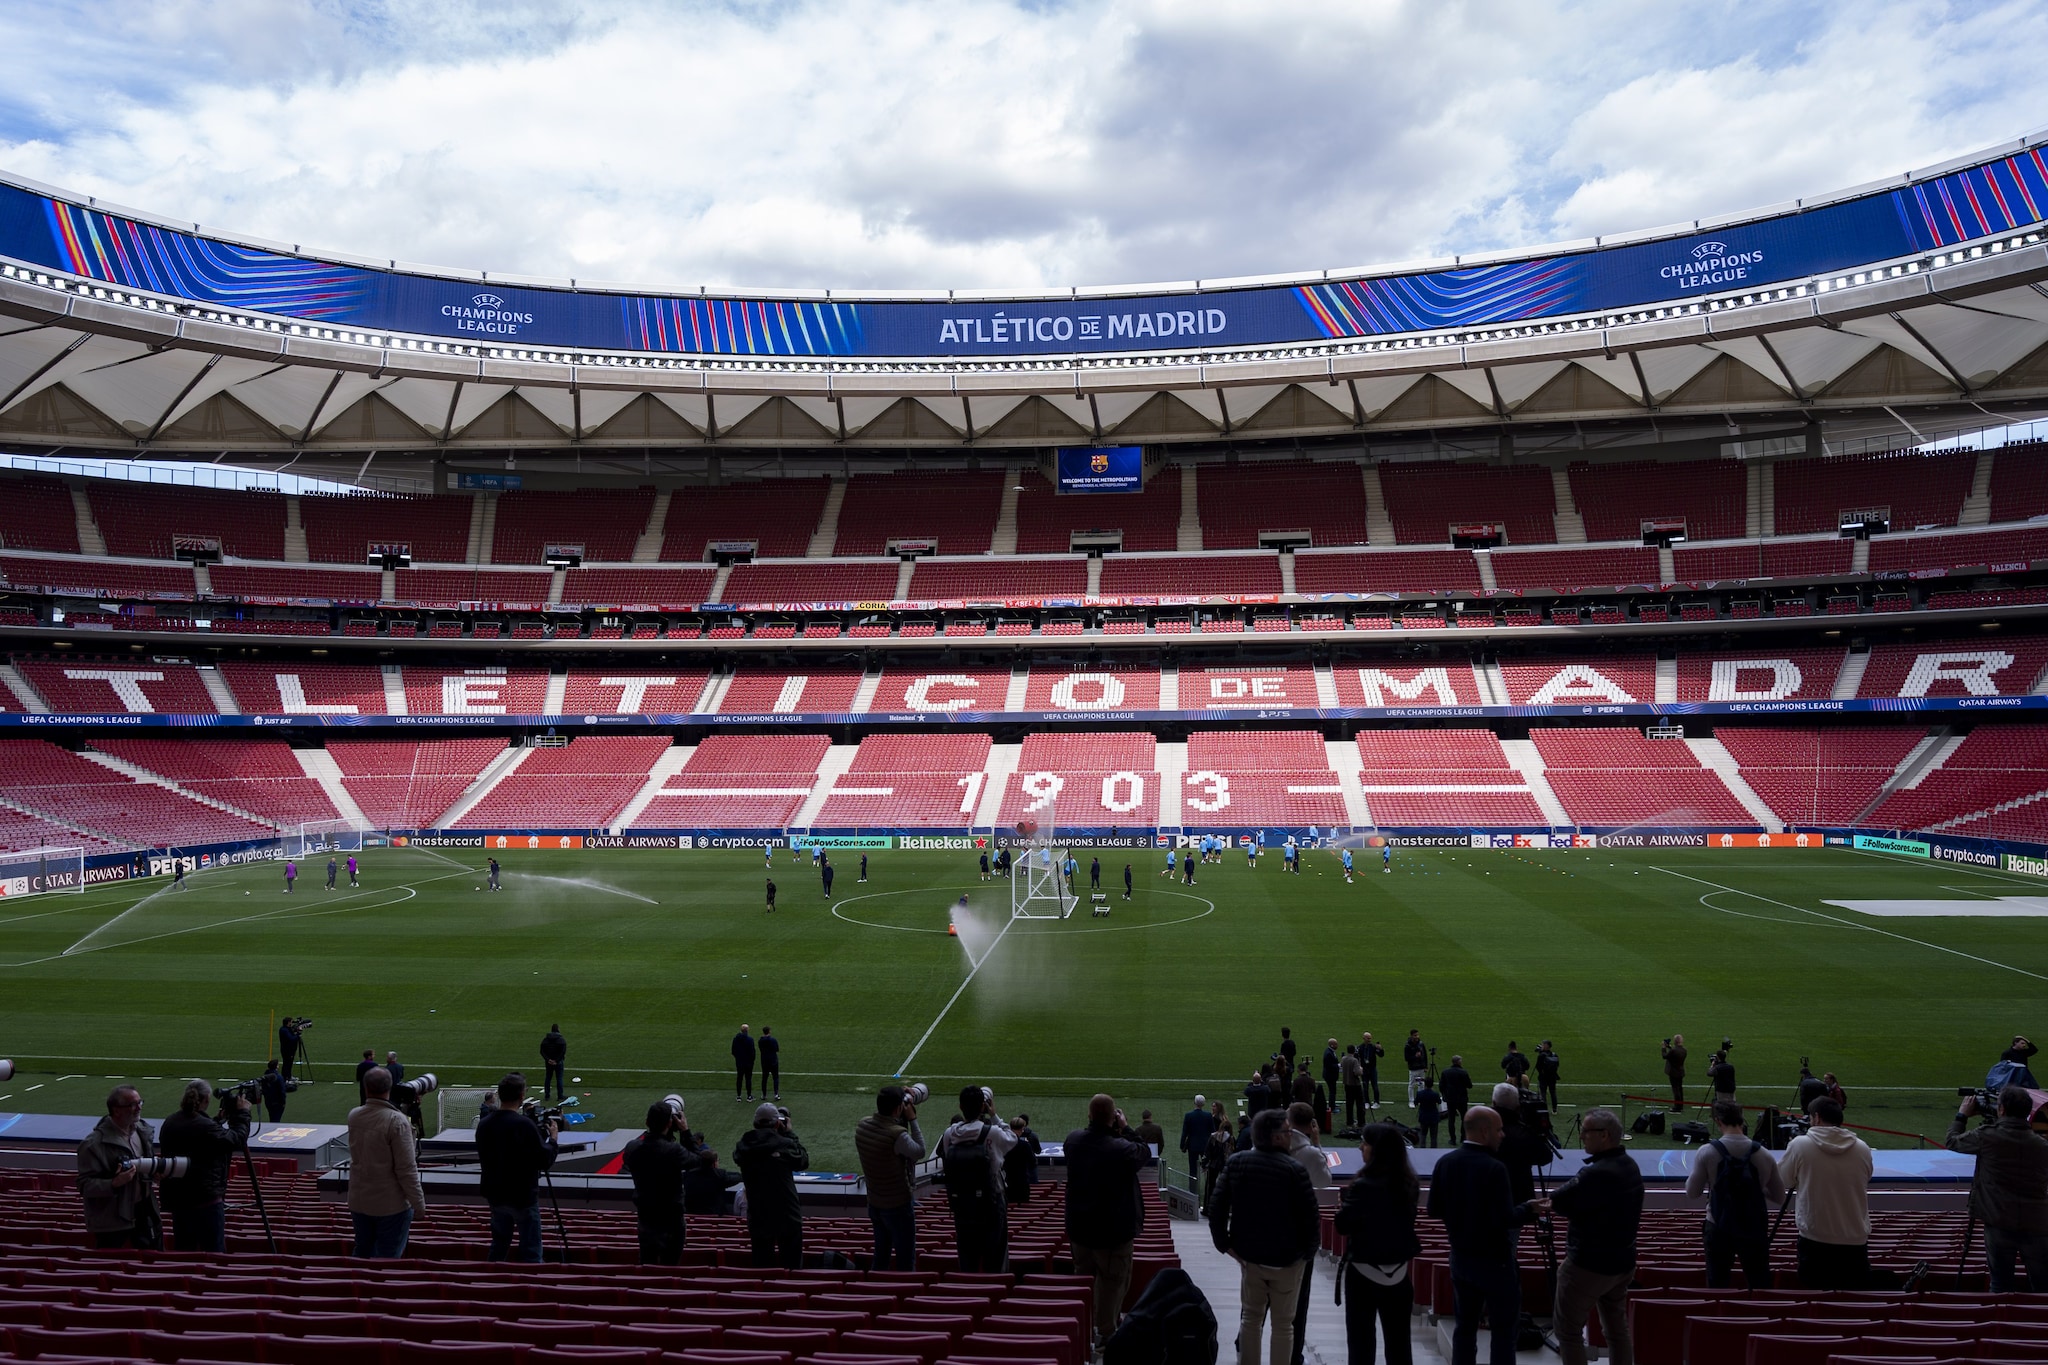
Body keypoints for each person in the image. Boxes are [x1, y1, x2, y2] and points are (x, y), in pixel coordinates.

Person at [1427, 1106, 1548, 1365]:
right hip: (1495, 1263)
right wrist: (1530, 1209)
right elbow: (1505, 1219)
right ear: (1484, 1132)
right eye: (1499, 1130)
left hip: (1461, 1258)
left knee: (1464, 1328)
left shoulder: (1445, 1162)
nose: (1503, 1134)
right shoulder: (1494, 1168)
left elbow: (1433, 1209)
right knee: (1503, 1333)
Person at [1209, 1108, 1320, 1365]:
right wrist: (1305, 1256)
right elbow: (1311, 1220)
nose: (1291, 1136)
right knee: (1283, 1324)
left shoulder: (1237, 1163)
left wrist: (1226, 1246)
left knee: (1251, 1319)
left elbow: (1216, 1207)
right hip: (1287, 1262)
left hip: (1251, 1258)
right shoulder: (1295, 1170)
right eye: (1287, 1132)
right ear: (1276, 1137)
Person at [1778, 1096, 1907, 1290]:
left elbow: (1784, 1180)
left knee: (1815, 1296)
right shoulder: (1862, 1148)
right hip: (1854, 1240)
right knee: (1852, 1297)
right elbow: (1865, 1177)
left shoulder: (1800, 1145)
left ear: (1816, 1117)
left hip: (1815, 1239)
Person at [1548, 1109, 1643, 1365]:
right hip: (1622, 1262)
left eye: (1586, 1132)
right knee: (1617, 1330)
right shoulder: (1629, 1165)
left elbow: (1559, 1200)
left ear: (1604, 1135)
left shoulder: (1596, 1173)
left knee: (1567, 1331)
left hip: (1589, 1265)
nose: (1581, 1136)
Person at [1066, 1094, 1150, 1347]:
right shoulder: (1121, 1148)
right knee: (1113, 1283)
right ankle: (1105, 1334)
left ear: (1090, 1115)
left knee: (1083, 1280)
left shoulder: (1073, 1141)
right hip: (1113, 1232)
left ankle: (1085, 1329)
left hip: (1081, 1228)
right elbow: (1143, 1152)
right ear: (1113, 1117)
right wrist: (1126, 1128)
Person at [1334, 1121, 1421, 1365]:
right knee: (1399, 1344)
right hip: (1399, 1273)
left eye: (1365, 1143)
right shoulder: (1408, 1184)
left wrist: (1344, 1207)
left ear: (1378, 1149)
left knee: (1361, 1344)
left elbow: (1342, 1225)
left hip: (1363, 1274)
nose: (1360, 1147)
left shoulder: (1363, 1186)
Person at [1947, 1087, 2048, 1291]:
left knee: (2000, 1284)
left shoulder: (1987, 1136)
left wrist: (1962, 1115)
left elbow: (1952, 1141)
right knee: (2042, 1286)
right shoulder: (2041, 1145)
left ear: (2001, 1110)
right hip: (2037, 1223)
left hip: (1999, 1220)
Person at [1686, 1100, 1787, 1289]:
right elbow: (1780, 1197)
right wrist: (1756, 1187)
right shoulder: (1764, 1155)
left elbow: (1692, 1192)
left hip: (1718, 1225)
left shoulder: (1706, 1152)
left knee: (1717, 1285)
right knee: (1759, 1284)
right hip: (1753, 1226)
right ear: (1742, 1120)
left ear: (1718, 1121)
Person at [157, 1079, 252, 1253]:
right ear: (206, 1099)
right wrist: (242, 1114)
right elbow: (236, 1139)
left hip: (179, 1201)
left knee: (184, 1252)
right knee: (214, 1253)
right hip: (206, 1201)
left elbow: (197, 1139)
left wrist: (216, 1121)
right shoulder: (205, 1127)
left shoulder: (170, 1122)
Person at [475, 1072, 558, 1263]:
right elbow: (544, 1160)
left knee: (499, 1246)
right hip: (522, 1196)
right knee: (531, 1250)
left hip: (496, 1194)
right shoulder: (524, 1125)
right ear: (521, 1096)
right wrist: (553, 1140)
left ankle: (490, 1278)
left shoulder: (485, 1124)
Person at [347, 1065, 427, 1258]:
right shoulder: (396, 1121)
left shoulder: (354, 1115)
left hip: (359, 1200)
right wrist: (418, 1203)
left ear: (366, 1088)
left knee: (362, 1251)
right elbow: (406, 1168)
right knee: (387, 1259)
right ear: (389, 1088)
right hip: (390, 1205)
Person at [940, 1083, 1017, 1271]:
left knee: (967, 1256)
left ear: (960, 1106)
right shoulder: (992, 1132)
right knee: (995, 1255)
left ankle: (968, 1286)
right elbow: (1012, 1139)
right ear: (983, 1106)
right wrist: (994, 1116)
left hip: (962, 1202)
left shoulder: (949, 1134)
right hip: (991, 1200)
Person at [1282, 1102, 1334, 1365]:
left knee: (1260, 1299)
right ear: (1311, 1124)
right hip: (1301, 1236)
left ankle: (1244, 1340)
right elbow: (1325, 1182)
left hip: (1273, 1233)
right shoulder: (1312, 1154)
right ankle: (1294, 1355)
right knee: (1299, 1300)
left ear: (1288, 1122)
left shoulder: (1274, 1147)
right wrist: (1317, 1144)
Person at [77, 1086, 160, 1249]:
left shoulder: (142, 1132)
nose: (139, 1108)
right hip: (112, 1221)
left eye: (140, 1103)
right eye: (133, 1105)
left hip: (144, 1212)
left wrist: (153, 1171)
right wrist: (114, 1183)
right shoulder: (93, 1144)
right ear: (116, 1110)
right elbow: (84, 1186)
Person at [623, 1100, 699, 1265]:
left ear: (647, 1122)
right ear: (670, 1123)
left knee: (647, 1263)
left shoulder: (632, 1147)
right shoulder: (673, 1151)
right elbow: (697, 1160)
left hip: (646, 1216)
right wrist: (685, 1131)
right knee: (670, 1266)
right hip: (672, 1219)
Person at [735, 1101, 809, 1268]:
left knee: (762, 1266)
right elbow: (803, 1160)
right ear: (777, 1123)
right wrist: (789, 1134)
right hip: (787, 1214)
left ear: (755, 1123)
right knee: (792, 1266)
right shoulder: (785, 1145)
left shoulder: (743, 1147)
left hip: (758, 1214)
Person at [1491, 1083, 1553, 1205]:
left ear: (1494, 1103)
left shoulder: (1481, 1131)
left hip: (1486, 1199)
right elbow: (1545, 1157)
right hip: (1520, 1199)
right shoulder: (1525, 1135)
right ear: (1518, 1107)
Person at [684, 1147, 743, 1215]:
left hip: (692, 1213)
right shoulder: (720, 1176)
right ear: (714, 1163)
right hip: (714, 1213)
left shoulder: (688, 1175)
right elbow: (736, 1178)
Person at [1005, 1114, 1042, 1204]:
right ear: (1022, 1128)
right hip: (1022, 1182)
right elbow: (1033, 1162)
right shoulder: (1025, 1145)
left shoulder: (1004, 1143)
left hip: (1007, 1180)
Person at [1202, 1116, 1234, 1216]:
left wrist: (1204, 1164)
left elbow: (1207, 1152)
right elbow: (1232, 1153)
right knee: (1225, 1188)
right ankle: (1224, 1210)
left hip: (1213, 1164)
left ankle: (1207, 1208)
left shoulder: (1213, 1136)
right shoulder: (1231, 1139)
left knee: (1209, 1187)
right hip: (1225, 1165)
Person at [1181, 1094, 1217, 1180]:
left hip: (1192, 1145)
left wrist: (1182, 1145)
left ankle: (1192, 1186)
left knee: (1193, 1168)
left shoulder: (1188, 1115)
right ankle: (1208, 1185)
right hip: (1205, 1145)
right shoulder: (1208, 1115)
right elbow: (1213, 1131)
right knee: (1207, 1167)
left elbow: (1185, 1132)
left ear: (1194, 1103)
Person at [1439, 1055, 1473, 1142]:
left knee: (1451, 1119)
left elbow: (1441, 1086)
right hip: (1462, 1099)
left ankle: (1453, 1139)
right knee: (1464, 1118)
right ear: (1459, 1062)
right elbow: (1469, 1085)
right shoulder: (1463, 1072)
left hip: (1450, 1099)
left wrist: (1445, 1095)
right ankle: (1463, 1137)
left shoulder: (1445, 1072)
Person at [540, 1024, 567, 1102]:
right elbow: (563, 1052)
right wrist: (557, 1060)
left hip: (548, 1062)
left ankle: (547, 1095)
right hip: (558, 1062)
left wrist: (548, 1059)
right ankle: (560, 1095)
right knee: (559, 1078)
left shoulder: (545, 1040)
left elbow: (542, 1051)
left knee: (548, 1078)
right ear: (558, 1029)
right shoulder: (561, 1040)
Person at [1415, 1076, 1443, 1149]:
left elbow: (1415, 1102)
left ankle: (1422, 1149)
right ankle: (1433, 1150)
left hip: (1423, 1116)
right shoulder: (1435, 1094)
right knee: (1433, 1136)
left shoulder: (1420, 1093)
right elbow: (1439, 1102)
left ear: (1425, 1084)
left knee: (1423, 1135)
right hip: (1433, 1117)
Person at [1341, 1047, 1365, 1129]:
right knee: (1360, 1104)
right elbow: (1357, 1072)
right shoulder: (1354, 1060)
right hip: (1355, 1085)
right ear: (1354, 1051)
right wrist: (1361, 1069)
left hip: (1347, 1084)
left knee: (1349, 1104)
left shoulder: (1344, 1059)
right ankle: (1361, 1122)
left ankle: (1349, 1122)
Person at [1662, 1034, 1688, 1112]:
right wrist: (1670, 1047)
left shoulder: (1673, 1051)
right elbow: (1674, 1052)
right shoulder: (1684, 1050)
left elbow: (1665, 1056)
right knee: (1680, 1089)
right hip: (1680, 1071)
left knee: (1675, 1090)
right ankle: (1680, 1105)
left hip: (1673, 1072)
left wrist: (1663, 1048)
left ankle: (1677, 1107)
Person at [1359, 1032, 1384, 1109]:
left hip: (1372, 1069)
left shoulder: (1373, 1047)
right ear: (1364, 1038)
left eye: (1370, 1038)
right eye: (1368, 1038)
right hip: (1364, 1070)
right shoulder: (1360, 1047)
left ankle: (1376, 1102)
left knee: (1375, 1086)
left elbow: (1381, 1055)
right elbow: (1357, 1057)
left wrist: (1380, 1049)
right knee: (1365, 1086)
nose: (1369, 1040)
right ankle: (1366, 1102)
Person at [1402, 1030, 1428, 1107]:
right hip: (1413, 1069)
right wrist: (1415, 1056)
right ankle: (1411, 1101)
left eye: (1417, 1035)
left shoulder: (1421, 1044)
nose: (1417, 1037)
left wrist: (1425, 1066)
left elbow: (1425, 1055)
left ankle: (1419, 1100)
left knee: (1421, 1084)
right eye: (1415, 1035)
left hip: (1421, 1068)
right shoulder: (1408, 1046)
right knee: (1412, 1084)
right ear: (1411, 1036)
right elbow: (1406, 1058)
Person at [1534, 1041, 1561, 1114]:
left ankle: (1544, 1108)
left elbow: (1538, 1066)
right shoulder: (1554, 1055)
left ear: (1546, 1046)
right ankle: (1554, 1109)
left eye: (1543, 1045)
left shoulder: (1541, 1056)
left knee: (1543, 1093)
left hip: (1544, 1077)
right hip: (1552, 1077)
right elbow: (1557, 1065)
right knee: (1553, 1092)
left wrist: (1541, 1072)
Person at [732, 1023, 756, 1102]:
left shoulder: (736, 1039)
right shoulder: (750, 1039)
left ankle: (739, 1096)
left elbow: (733, 1051)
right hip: (748, 1062)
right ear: (747, 1030)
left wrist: (738, 1058)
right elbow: (752, 1052)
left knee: (739, 1078)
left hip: (739, 1062)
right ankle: (749, 1096)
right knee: (748, 1079)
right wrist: (752, 1060)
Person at [760, 1026, 781, 1100]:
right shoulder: (773, 1040)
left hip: (764, 1061)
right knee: (775, 1077)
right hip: (773, 1060)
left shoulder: (761, 1040)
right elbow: (776, 1049)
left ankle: (764, 1095)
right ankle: (776, 1094)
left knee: (764, 1078)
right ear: (769, 1031)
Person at [1322, 1038, 1341, 1112]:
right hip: (1330, 1076)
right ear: (1332, 1045)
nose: (1337, 1045)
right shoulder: (1328, 1054)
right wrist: (1338, 1065)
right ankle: (1332, 1107)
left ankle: (1332, 1104)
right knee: (1332, 1091)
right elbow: (1329, 1066)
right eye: (1336, 1044)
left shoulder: (1330, 1051)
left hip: (1330, 1075)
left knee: (1333, 1091)